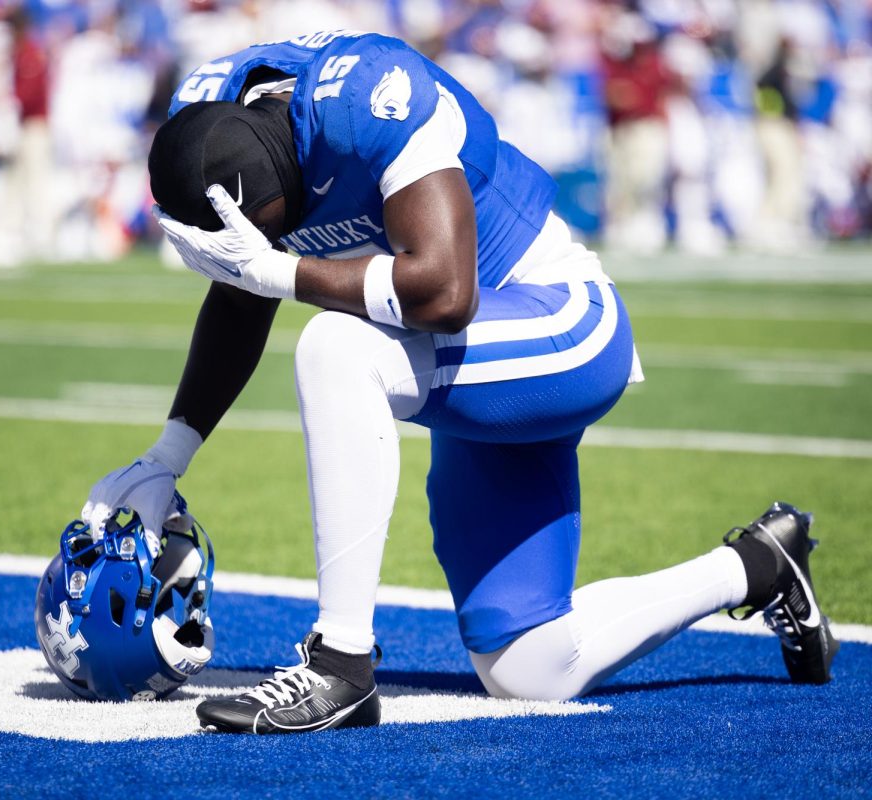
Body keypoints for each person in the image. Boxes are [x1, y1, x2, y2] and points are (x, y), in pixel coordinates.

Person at [82, 30, 837, 735]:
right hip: (470, 362)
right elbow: (246, 286)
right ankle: (758, 565)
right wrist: (168, 455)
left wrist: (283, 272)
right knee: (531, 667)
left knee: (336, 346)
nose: (276, 249)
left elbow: (445, 293)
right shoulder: (208, 122)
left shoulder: (366, 97)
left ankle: (341, 664)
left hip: (561, 323)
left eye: (281, 233)